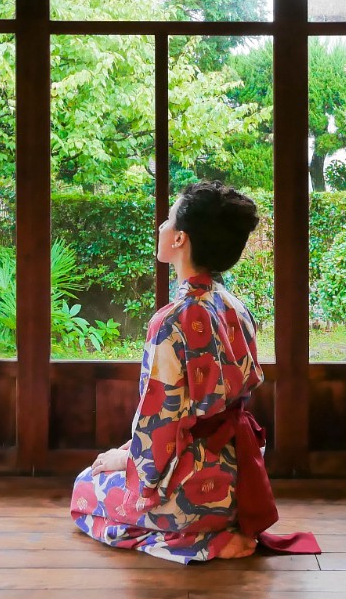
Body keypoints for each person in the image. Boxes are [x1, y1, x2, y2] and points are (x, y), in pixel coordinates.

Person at [69, 181, 315, 563]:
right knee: (112, 472)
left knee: (85, 490)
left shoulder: (170, 321)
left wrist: (126, 460)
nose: (160, 228)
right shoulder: (235, 307)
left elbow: (161, 421)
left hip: (189, 486)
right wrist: (128, 450)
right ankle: (218, 529)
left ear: (180, 239)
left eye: (167, 220)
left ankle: (198, 541)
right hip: (238, 480)